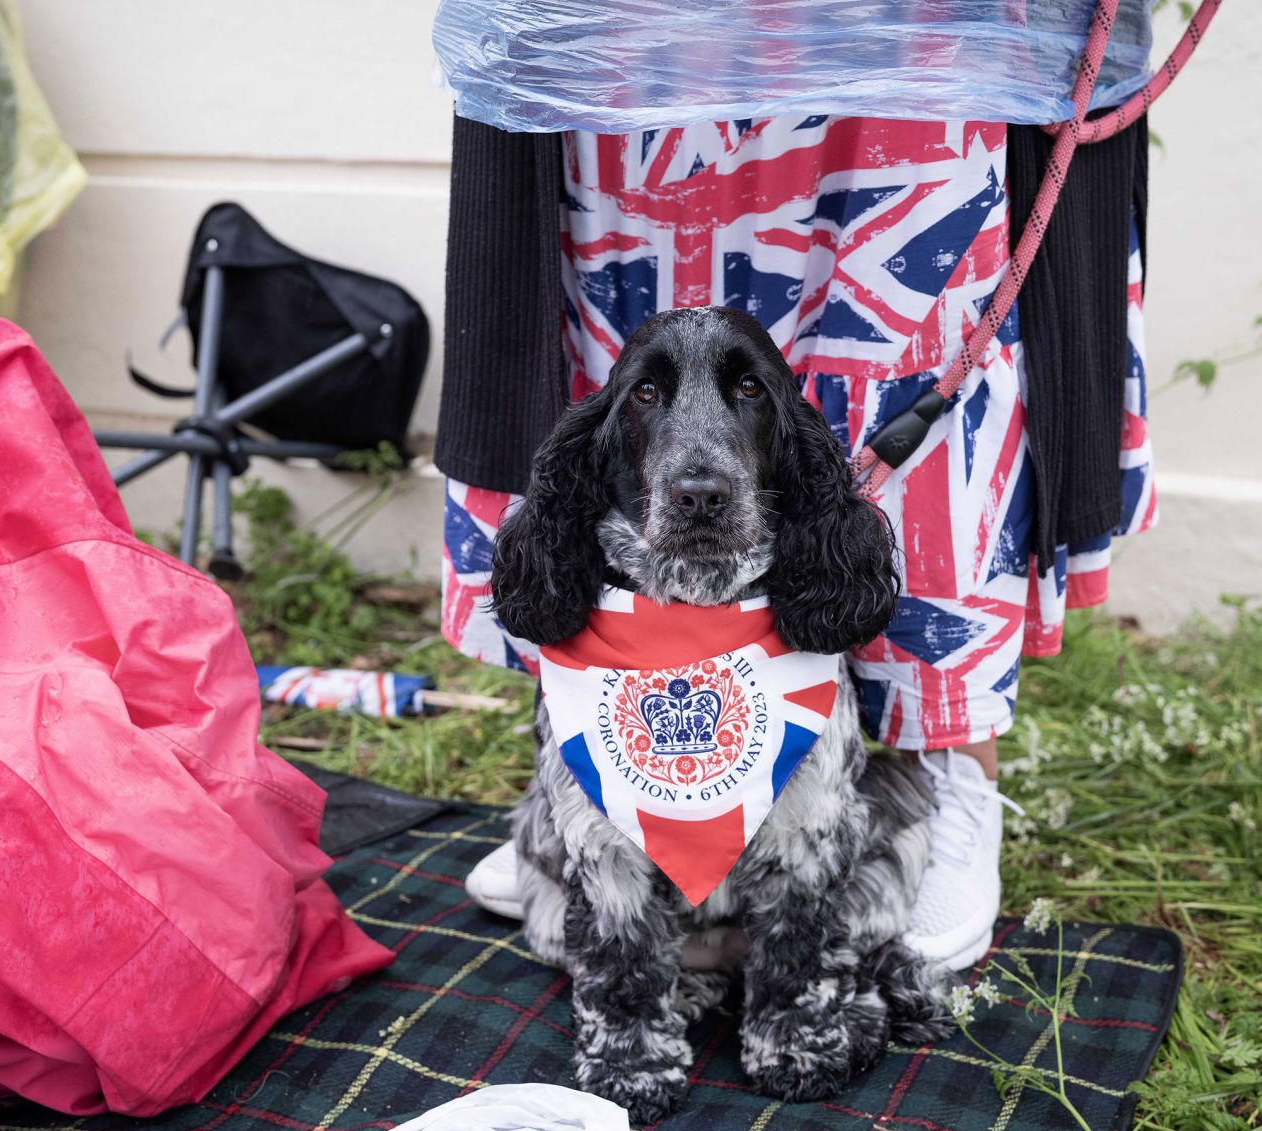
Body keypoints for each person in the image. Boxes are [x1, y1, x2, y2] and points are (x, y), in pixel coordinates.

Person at [435, 114, 1153, 970]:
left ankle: (950, 781)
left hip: (908, 54)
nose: (699, 475)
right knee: (619, 264)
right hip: (643, 54)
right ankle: (595, 821)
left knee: (915, 285)